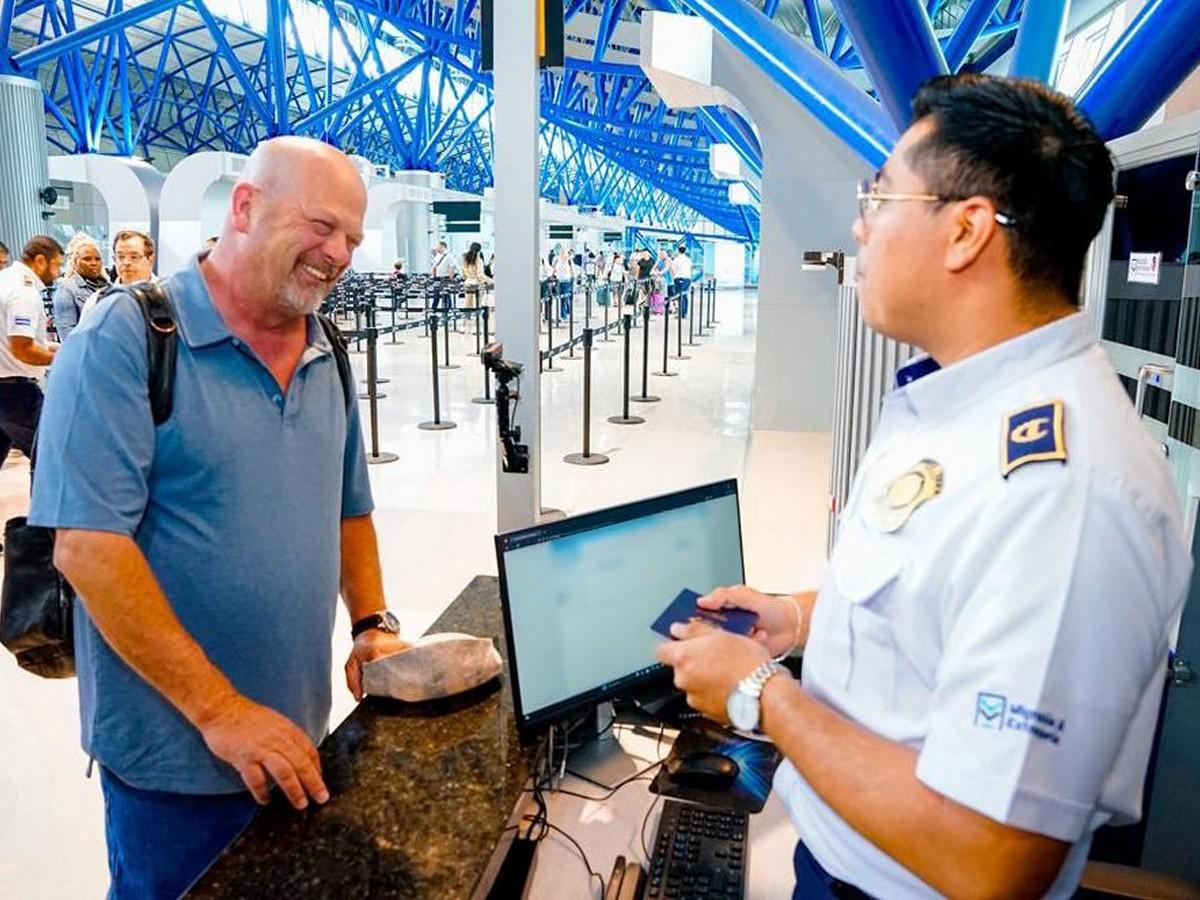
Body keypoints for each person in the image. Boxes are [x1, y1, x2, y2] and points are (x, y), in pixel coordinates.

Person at [656, 74, 1191, 899]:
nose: (858, 225)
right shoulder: (956, 406)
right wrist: (796, 617)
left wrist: (762, 697)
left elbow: (992, 859)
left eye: (880, 197)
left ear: (966, 232)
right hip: (838, 855)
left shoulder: (1066, 490)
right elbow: (925, 604)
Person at [29, 136, 409, 900]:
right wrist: (223, 711)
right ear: (244, 206)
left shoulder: (326, 348)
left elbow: (349, 507)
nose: (338, 254)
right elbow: (87, 548)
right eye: (321, 226)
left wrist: (372, 622)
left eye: (353, 240)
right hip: (176, 758)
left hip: (296, 736)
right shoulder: (127, 337)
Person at [0, 235, 61, 465]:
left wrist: (57, 347)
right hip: (16, 393)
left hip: (5, 388)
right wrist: (63, 359)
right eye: (57, 265)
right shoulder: (24, 292)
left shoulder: (4, 279)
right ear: (40, 261)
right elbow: (23, 349)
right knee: (49, 460)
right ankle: (45, 503)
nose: (58, 272)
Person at [79, 229, 157, 322]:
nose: (126, 262)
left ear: (150, 259)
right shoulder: (97, 302)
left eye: (134, 257)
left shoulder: (170, 299)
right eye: (121, 257)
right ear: (114, 259)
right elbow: (85, 336)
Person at [53, 234, 109, 341]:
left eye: (97, 259)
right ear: (75, 261)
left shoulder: (110, 286)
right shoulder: (66, 290)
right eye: (87, 259)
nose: (94, 263)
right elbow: (67, 336)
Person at [460, 241, 492, 309]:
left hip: (468, 282)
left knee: (467, 304)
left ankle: (466, 318)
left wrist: (467, 277)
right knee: (476, 304)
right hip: (477, 283)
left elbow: (462, 274)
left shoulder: (465, 259)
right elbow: (480, 275)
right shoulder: (478, 260)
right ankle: (475, 319)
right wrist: (491, 281)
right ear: (479, 250)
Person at [430, 240, 454, 313]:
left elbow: (451, 267)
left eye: (438, 246)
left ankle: (448, 309)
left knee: (446, 295)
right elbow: (434, 267)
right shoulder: (437, 256)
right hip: (437, 278)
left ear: (443, 246)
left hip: (445, 277)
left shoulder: (449, 256)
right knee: (436, 295)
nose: (436, 248)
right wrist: (433, 277)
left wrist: (450, 278)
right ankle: (433, 309)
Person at [670, 246, 693, 318]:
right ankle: (684, 312)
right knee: (685, 296)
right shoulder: (688, 260)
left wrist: (674, 278)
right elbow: (690, 269)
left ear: (678, 251)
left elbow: (673, 270)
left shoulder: (676, 260)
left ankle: (681, 314)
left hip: (679, 278)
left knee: (680, 296)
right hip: (687, 279)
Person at [552, 245, 574, 321]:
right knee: (561, 299)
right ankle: (564, 314)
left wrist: (573, 277)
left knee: (565, 298)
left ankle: (564, 315)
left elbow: (572, 270)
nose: (562, 253)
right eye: (561, 252)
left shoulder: (569, 260)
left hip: (567, 281)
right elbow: (553, 269)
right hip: (558, 281)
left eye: (564, 252)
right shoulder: (556, 259)